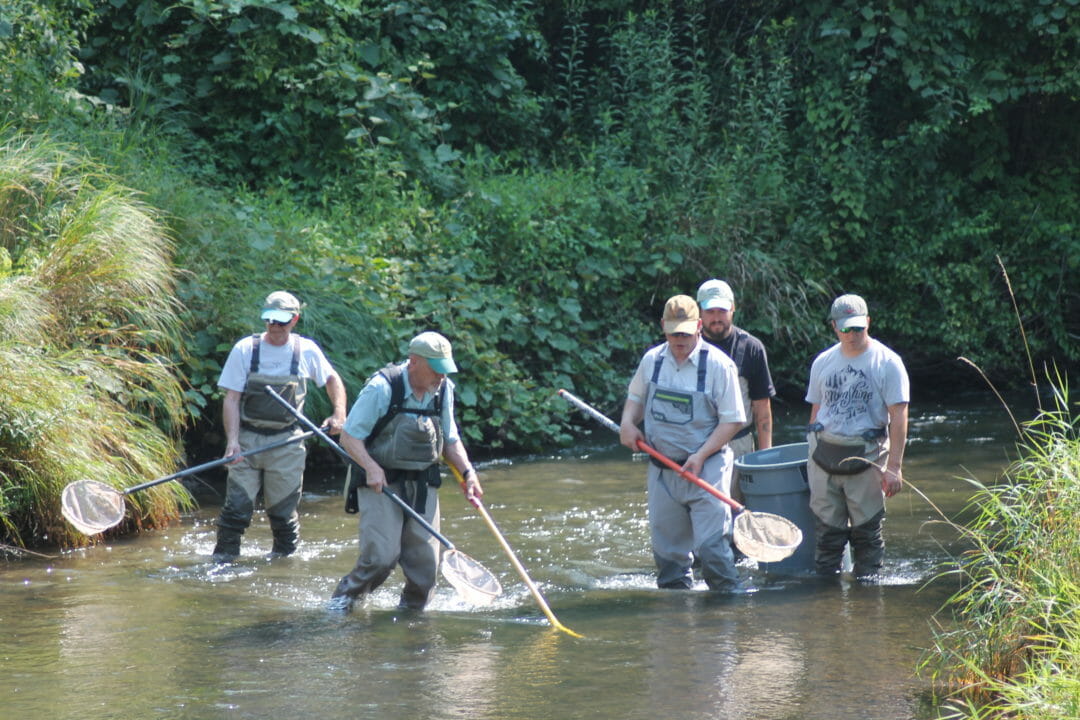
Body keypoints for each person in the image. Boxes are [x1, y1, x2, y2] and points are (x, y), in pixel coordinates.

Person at [330, 331, 482, 611]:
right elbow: (349, 437)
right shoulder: (382, 387)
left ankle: (413, 626)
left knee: (426, 569)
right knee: (381, 558)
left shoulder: (444, 390)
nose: (441, 377)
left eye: (445, 370)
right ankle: (342, 604)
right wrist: (372, 468)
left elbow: (450, 439)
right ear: (414, 362)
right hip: (380, 481)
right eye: (436, 370)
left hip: (423, 483)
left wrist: (468, 473)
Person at [619, 295, 746, 590]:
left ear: (699, 327)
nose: (680, 339)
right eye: (674, 332)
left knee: (713, 553)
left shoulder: (719, 366)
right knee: (669, 561)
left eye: (686, 333)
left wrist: (701, 455)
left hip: (707, 468)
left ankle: (728, 616)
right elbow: (636, 399)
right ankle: (676, 627)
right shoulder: (652, 361)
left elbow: (733, 420)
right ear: (663, 326)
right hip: (662, 469)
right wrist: (628, 423)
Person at [212, 291, 347, 563]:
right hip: (247, 442)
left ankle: (283, 567)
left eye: (282, 321)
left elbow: (332, 379)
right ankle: (222, 566)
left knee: (283, 516)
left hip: (287, 444)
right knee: (235, 512)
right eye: (270, 320)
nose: (274, 326)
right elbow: (232, 398)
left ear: (294, 320)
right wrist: (232, 442)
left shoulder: (306, 350)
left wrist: (339, 414)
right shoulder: (245, 349)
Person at [805, 294, 909, 578]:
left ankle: (869, 605)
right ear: (834, 327)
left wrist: (895, 468)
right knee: (826, 537)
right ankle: (826, 604)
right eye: (846, 328)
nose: (852, 334)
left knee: (867, 535)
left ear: (868, 323)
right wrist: (809, 455)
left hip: (868, 456)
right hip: (823, 456)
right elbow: (816, 412)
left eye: (858, 327)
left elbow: (899, 416)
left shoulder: (888, 362)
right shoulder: (822, 362)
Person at [696, 278, 776, 462]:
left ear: (733, 308)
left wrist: (766, 458)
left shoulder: (751, 347)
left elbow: (762, 411)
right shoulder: (687, 346)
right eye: (710, 311)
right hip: (695, 443)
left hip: (739, 447)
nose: (716, 317)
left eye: (722, 311)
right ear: (699, 311)